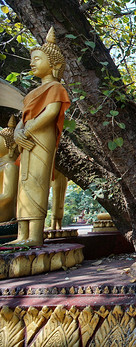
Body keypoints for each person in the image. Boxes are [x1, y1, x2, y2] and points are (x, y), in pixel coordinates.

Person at [10, 27, 70, 246]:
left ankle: (35, 235)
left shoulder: (55, 87)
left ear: (54, 65)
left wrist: (29, 128)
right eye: (31, 59)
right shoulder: (31, 94)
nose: (32, 63)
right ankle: (21, 234)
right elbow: (22, 118)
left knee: (37, 182)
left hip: (41, 139)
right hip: (26, 142)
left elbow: (52, 112)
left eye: (37, 59)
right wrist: (18, 132)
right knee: (23, 184)